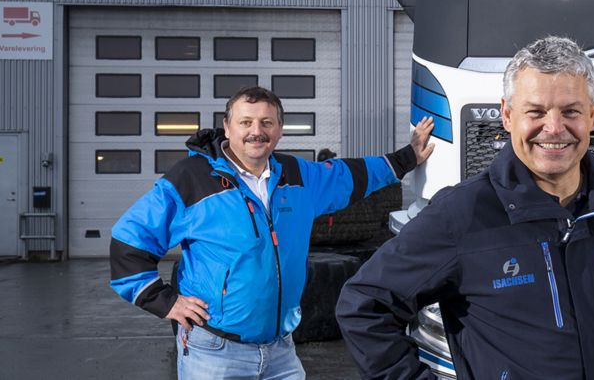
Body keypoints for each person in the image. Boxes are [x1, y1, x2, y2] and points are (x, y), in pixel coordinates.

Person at [336, 35, 594, 379]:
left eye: (571, 111)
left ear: (592, 115)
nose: (554, 128)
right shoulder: (462, 214)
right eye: (536, 111)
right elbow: (364, 304)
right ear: (507, 115)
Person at [109, 85, 435, 380]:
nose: (257, 131)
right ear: (227, 127)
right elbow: (129, 240)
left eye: (267, 122)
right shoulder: (192, 179)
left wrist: (409, 156)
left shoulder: (296, 175)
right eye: (246, 122)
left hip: (280, 351)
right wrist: (164, 301)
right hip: (214, 353)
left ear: (279, 129)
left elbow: (351, 174)